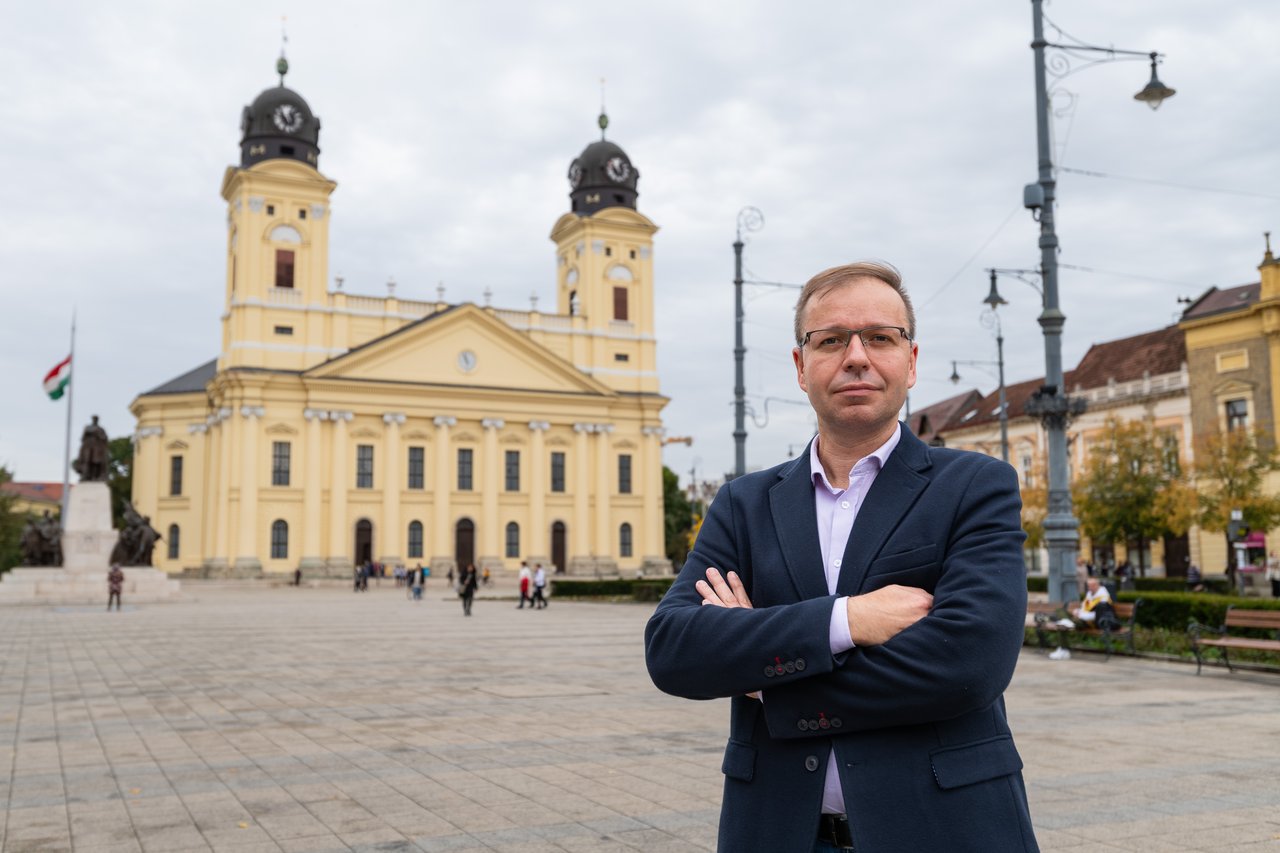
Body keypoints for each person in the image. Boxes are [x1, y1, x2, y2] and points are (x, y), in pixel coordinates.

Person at [644, 261, 1037, 852]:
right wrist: (847, 620)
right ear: (802, 368)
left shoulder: (975, 486)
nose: (856, 356)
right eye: (831, 340)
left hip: (947, 830)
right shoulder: (743, 504)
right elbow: (674, 649)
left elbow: (968, 663)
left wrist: (765, 672)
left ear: (912, 360)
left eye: (880, 337)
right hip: (776, 834)